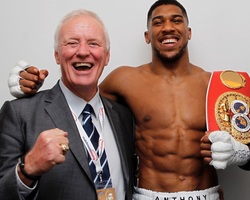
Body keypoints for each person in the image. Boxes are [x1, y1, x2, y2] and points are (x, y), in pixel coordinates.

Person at [7, 0, 250, 199]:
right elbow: (78, 101)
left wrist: (239, 152)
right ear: (147, 35)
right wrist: (29, 86)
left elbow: (247, 147)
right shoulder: (124, 80)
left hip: (204, 194)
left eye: (176, 20)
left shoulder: (215, 84)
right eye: (158, 22)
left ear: (189, 32)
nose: (167, 27)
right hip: (147, 195)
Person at [0, 9, 135, 200]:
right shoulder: (19, 113)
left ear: (107, 56)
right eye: (72, 43)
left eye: (93, 43)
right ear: (57, 55)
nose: (82, 52)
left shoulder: (123, 117)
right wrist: (28, 168)